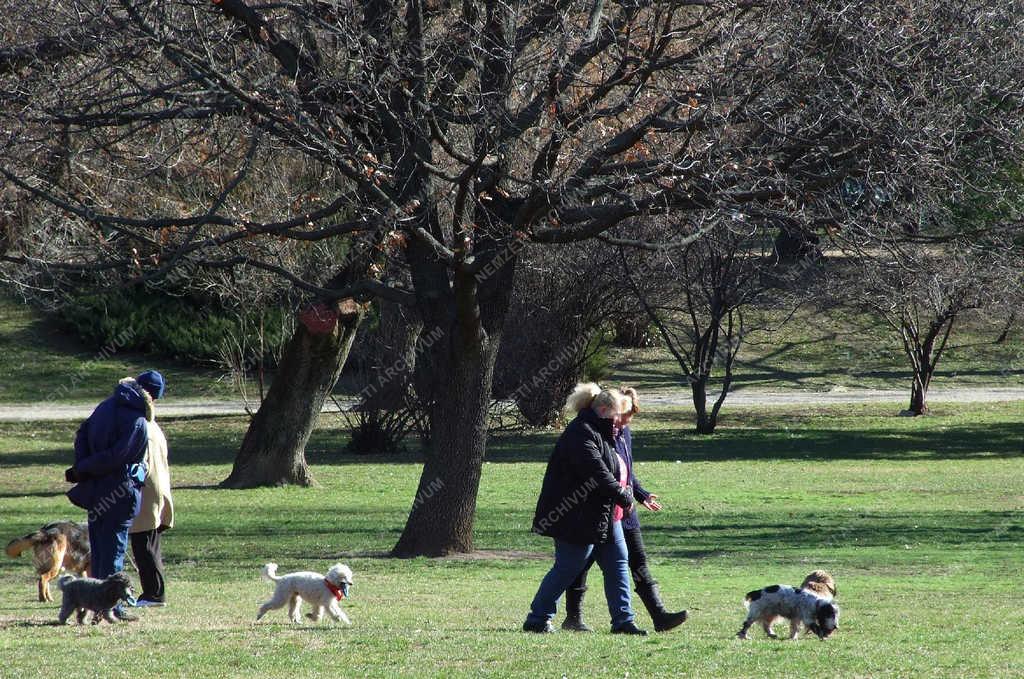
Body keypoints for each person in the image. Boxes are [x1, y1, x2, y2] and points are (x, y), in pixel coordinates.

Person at [561, 386, 688, 633]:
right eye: (624, 412)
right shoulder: (600, 433)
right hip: (601, 511)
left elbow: (626, 472)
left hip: (625, 511)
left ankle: (658, 615)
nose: (627, 419)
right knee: (580, 564)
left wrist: (639, 494)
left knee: (637, 560)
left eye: (631, 413)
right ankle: (572, 617)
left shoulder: (624, 433)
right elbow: (603, 474)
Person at [523, 384, 647, 635]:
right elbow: (597, 472)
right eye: (617, 416)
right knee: (569, 566)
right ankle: (537, 618)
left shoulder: (605, 432)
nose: (620, 422)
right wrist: (622, 495)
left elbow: (617, 470)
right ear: (602, 410)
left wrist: (630, 492)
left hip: (604, 513)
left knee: (618, 564)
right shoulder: (581, 433)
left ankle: (623, 621)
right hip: (575, 516)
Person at [65, 370, 166, 622]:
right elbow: (117, 457)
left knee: (99, 549)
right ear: (150, 397)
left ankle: (94, 605)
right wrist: (88, 468)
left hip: (95, 490)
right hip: (120, 491)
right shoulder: (137, 421)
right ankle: (110, 607)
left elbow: (82, 435)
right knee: (113, 551)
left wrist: (82, 468)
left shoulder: (105, 406)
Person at [129, 388, 174, 607]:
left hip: (147, 490)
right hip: (158, 488)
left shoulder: (143, 427)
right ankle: (152, 592)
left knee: (144, 544)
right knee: (148, 543)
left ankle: (154, 595)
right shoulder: (153, 426)